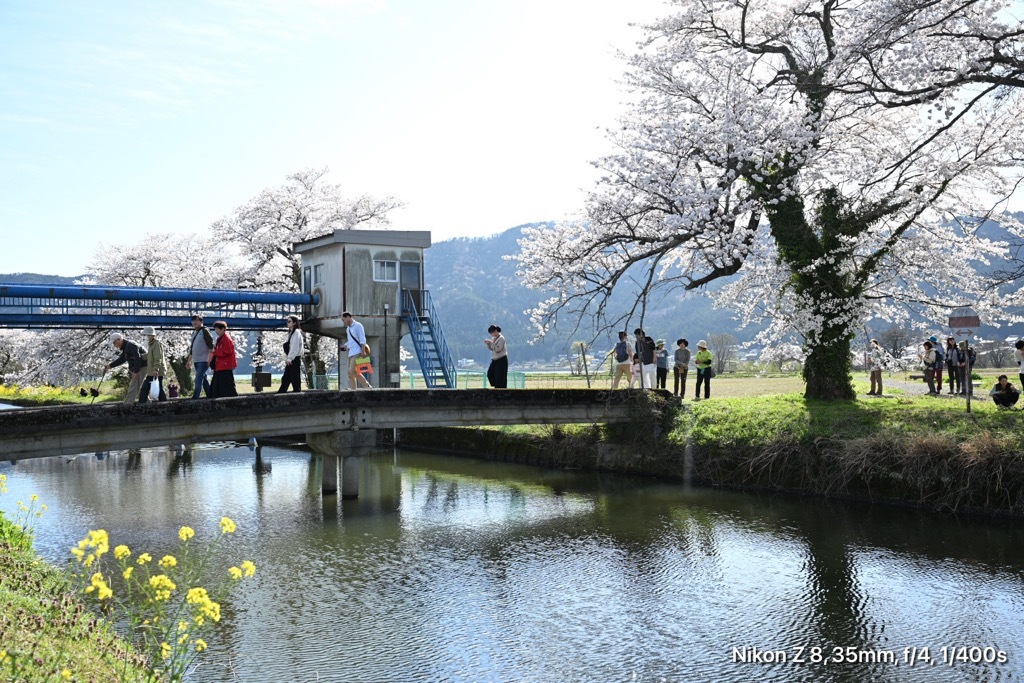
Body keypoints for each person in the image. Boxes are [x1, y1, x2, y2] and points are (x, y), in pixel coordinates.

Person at [105, 332, 147, 405]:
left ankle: (127, 405)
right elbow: (122, 359)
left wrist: (135, 372)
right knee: (138, 387)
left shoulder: (130, 345)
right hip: (141, 366)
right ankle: (147, 403)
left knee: (133, 386)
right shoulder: (126, 346)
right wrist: (110, 365)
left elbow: (138, 358)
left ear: (119, 340)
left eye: (114, 342)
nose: (114, 345)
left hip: (142, 366)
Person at [342, 311, 373, 389]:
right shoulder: (348, 329)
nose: (343, 322)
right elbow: (350, 341)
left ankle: (366, 385)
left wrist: (363, 351)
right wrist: (346, 346)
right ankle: (353, 389)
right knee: (350, 374)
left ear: (348, 317)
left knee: (351, 371)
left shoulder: (358, 326)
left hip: (358, 351)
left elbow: (362, 339)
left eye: (343, 320)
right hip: (351, 352)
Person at [186, 314, 213, 399]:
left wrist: (210, 360)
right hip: (196, 360)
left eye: (196, 320)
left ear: (201, 321)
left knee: (198, 379)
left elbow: (211, 346)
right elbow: (192, 348)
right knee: (203, 379)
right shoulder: (194, 332)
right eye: (193, 321)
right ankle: (210, 395)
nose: (194, 322)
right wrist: (189, 361)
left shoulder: (205, 331)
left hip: (203, 360)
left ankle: (195, 398)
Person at [138, 326, 168, 403]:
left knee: (146, 388)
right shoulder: (152, 344)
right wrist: (140, 357)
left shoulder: (156, 344)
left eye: (147, 335)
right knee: (158, 387)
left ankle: (141, 403)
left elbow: (158, 357)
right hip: (153, 370)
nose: (147, 337)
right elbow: (149, 355)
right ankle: (164, 403)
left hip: (155, 370)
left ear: (151, 335)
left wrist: (156, 369)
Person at [209, 321, 238, 398]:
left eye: (217, 329)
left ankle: (229, 397)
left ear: (223, 329)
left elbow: (227, 352)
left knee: (225, 384)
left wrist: (215, 352)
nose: (216, 331)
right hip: (221, 365)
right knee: (222, 384)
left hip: (225, 365)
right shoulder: (221, 339)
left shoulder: (226, 339)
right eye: (215, 329)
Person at [277, 314, 305, 393]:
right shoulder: (291, 333)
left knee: (293, 377)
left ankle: (295, 392)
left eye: (289, 321)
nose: (287, 323)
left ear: (294, 323)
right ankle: (282, 392)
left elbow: (294, 347)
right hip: (292, 358)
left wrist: (290, 358)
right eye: (287, 321)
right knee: (287, 377)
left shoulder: (296, 333)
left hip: (294, 358)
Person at [485, 324, 508, 388]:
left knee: (500, 376)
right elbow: (491, 348)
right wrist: (488, 344)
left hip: (501, 359)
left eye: (492, 333)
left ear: (495, 331)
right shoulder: (493, 338)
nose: (492, 334)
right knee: (490, 373)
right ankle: (496, 386)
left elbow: (498, 349)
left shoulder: (501, 338)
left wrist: (491, 343)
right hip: (495, 359)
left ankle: (500, 388)